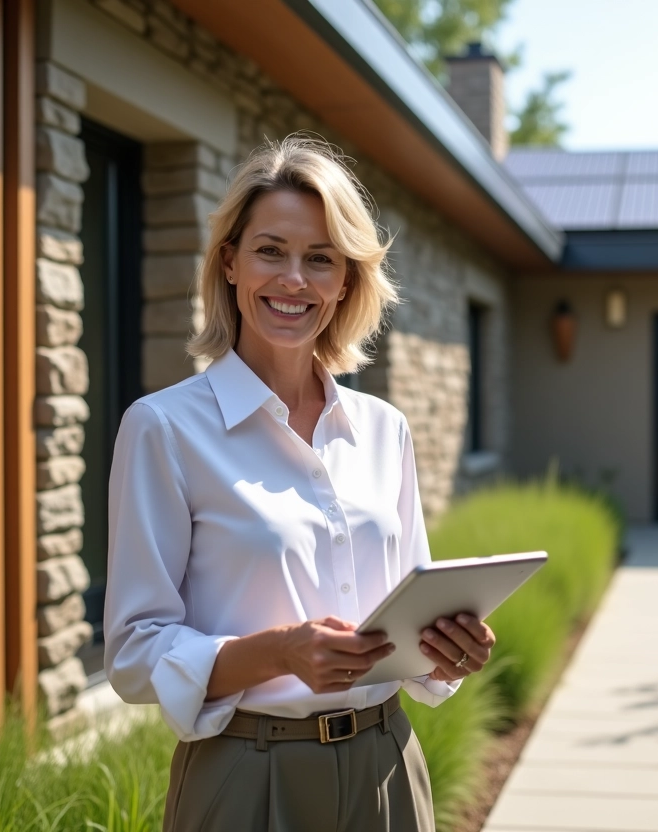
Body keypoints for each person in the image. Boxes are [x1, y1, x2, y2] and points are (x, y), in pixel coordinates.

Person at [103, 134, 495, 832]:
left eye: (321, 259)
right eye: (270, 250)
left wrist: (449, 649)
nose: (294, 279)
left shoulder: (384, 429)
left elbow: (411, 610)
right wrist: (277, 653)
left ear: (346, 281)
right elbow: (134, 654)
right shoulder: (163, 429)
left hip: (388, 764)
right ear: (229, 262)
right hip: (248, 777)